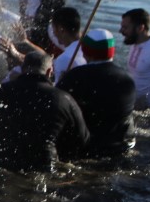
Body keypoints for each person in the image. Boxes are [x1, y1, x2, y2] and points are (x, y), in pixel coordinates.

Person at [0, 51, 89, 173]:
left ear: (22, 69)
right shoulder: (63, 99)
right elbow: (82, 139)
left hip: (1, 163)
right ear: (50, 72)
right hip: (44, 168)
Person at [56, 29, 137, 157]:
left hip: (87, 148)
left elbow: (57, 105)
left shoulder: (75, 76)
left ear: (85, 52)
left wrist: (61, 84)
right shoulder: (128, 79)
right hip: (118, 146)